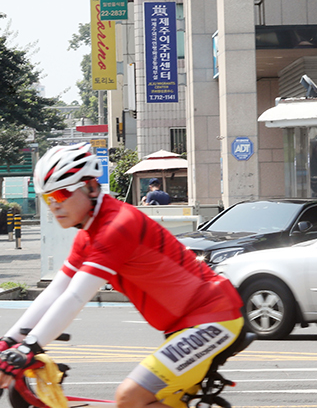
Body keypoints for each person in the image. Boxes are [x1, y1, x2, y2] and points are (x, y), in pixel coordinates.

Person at [0, 143, 244, 408]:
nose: (53, 206)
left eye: (59, 195)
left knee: (130, 397)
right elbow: (55, 291)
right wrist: (8, 342)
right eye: (47, 198)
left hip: (213, 316)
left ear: (91, 187)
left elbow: (75, 296)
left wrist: (28, 349)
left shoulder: (117, 226)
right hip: (181, 325)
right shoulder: (88, 235)